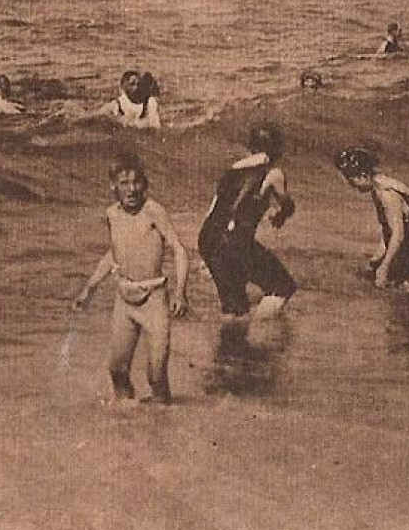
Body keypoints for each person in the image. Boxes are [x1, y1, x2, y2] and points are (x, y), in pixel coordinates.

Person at [72, 153, 189, 403]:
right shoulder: (111, 214)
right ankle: (128, 422)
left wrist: (180, 292)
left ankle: (164, 421)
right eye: (124, 183)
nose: (132, 189)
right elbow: (113, 254)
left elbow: (178, 249)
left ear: (145, 185)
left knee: (156, 375)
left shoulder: (153, 211)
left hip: (154, 300)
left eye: (137, 183)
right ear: (113, 186)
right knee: (117, 369)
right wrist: (89, 288)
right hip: (124, 300)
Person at [197, 122, 297, 336]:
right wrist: (280, 215)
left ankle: (230, 355)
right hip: (235, 241)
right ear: (277, 150)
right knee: (283, 287)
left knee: (234, 307)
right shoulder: (274, 173)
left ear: (251, 147)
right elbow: (287, 204)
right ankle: (259, 329)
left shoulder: (231, 171)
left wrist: (206, 258)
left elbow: (213, 210)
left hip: (208, 239)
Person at [335, 147, 409, 291]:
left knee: (407, 286)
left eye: (351, 180)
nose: (350, 185)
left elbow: (398, 235)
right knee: (381, 274)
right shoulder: (377, 187)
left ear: (363, 175)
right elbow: (387, 231)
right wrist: (377, 259)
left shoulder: (386, 194)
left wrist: (384, 267)